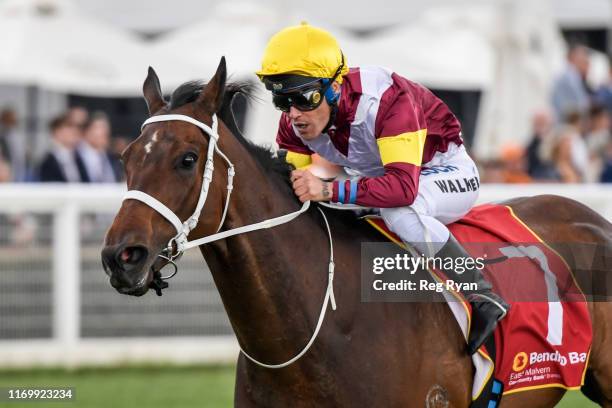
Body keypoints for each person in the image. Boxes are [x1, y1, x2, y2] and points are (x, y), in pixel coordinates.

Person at [256, 23, 509, 355]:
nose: (293, 114)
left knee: (397, 210)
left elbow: (402, 189)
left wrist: (330, 191)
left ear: (334, 87)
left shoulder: (388, 99)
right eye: (281, 100)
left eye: (303, 98)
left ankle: (481, 294)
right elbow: (290, 193)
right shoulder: (293, 120)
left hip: (443, 173)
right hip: (383, 182)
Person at [37, 113, 90, 183]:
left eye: (76, 128)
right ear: (57, 132)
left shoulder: (79, 158)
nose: (75, 131)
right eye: (69, 127)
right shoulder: (48, 162)